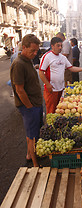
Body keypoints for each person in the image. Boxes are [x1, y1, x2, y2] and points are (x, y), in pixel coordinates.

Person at [10, 34, 43, 167]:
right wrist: (29, 107)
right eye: (32, 51)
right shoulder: (18, 64)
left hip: (35, 104)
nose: (35, 54)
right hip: (29, 106)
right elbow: (19, 90)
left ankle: (30, 154)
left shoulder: (27, 60)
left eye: (36, 51)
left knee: (35, 131)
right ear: (24, 47)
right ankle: (35, 164)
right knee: (32, 135)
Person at [39, 37, 82, 114]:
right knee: (51, 110)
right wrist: (47, 84)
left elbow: (71, 68)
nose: (60, 48)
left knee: (60, 111)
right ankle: (50, 125)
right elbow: (41, 72)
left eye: (61, 46)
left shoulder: (62, 57)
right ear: (52, 46)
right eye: (58, 46)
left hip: (61, 88)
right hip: (51, 89)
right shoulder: (47, 56)